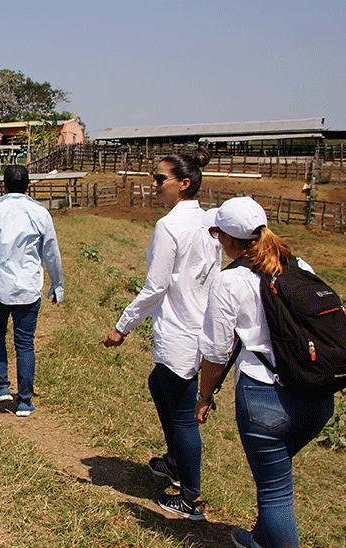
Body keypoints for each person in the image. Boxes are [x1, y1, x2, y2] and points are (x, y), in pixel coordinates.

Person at [195, 197, 334, 548]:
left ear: (226, 239)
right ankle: (259, 539)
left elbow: (215, 352)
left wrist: (204, 395)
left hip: (264, 398)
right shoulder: (299, 264)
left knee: (275, 494)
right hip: (317, 397)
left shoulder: (230, 281)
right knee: (276, 478)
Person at [101, 150, 221, 520]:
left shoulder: (170, 226)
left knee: (185, 417)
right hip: (203, 325)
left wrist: (122, 327)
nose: (153, 185)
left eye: (159, 179)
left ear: (183, 183)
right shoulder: (209, 223)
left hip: (180, 331)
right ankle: (173, 461)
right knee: (158, 384)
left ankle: (191, 497)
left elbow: (155, 287)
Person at [0, 164, 64, 418]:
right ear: (29, 186)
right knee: (25, 343)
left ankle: (1, 386)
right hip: (28, 290)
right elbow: (51, 253)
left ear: (3, 185)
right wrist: (58, 284)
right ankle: (24, 402)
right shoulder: (40, 213)